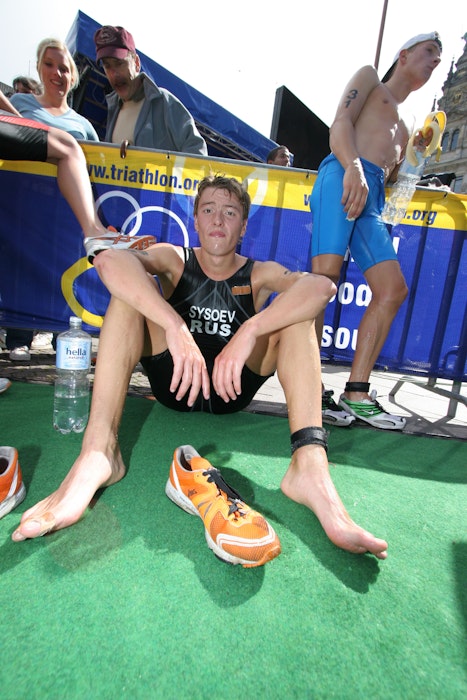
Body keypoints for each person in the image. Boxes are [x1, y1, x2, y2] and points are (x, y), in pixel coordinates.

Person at [12, 175, 388, 563]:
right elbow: (108, 260)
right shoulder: (174, 259)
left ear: (243, 226)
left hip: (232, 390)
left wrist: (250, 330)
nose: (218, 220)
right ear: (195, 220)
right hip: (173, 381)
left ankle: (309, 466)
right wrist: (174, 325)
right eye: (208, 210)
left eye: (230, 213)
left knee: (298, 314)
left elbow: (322, 288)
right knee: (128, 296)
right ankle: (99, 451)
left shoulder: (259, 274)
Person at [310, 32, 442, 430]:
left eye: (439, 57)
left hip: (373, 199)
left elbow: (395, 180)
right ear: (403, 55)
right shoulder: (370, 78)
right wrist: (352, 166)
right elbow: (340, 124)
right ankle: (309, 387)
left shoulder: (411, 123)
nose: (436, 60)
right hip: (343, 173)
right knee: (323, 282)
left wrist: (417, 158)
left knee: (392, 290)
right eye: (430, 51)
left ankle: (356, 392)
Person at [93, 25, 207, 155]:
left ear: (136, 63)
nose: (114, 74)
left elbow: (197, 151)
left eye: (119, 63)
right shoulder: (114, 110)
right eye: (107, 66)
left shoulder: (163, 101)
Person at [10, 38, 99, 141]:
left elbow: (101, 151)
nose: (57, 72)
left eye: (63, 69)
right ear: (39, 68)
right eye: (49, 64)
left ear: (72, 78)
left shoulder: (84, 126)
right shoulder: (18, 102)